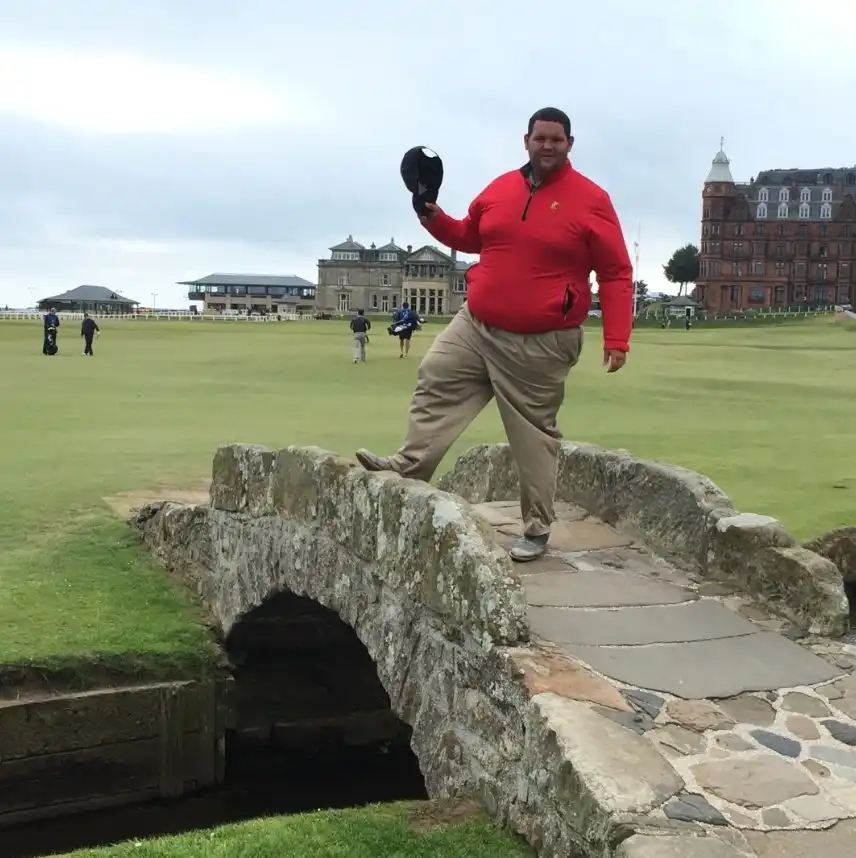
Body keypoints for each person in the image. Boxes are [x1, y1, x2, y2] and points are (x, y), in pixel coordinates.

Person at [355, 107, 633, 562]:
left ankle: (537, 527)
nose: (548, 145)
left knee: (531, 434)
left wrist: (617, 338)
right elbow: (469, 236)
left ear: (569, 144)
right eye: (540, 138)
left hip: (540, 339)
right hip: (477, 322)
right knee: (436, 376)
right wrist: (431, 215)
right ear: (526, 140)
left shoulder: (591, 199)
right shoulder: (500, 188)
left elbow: (617, 272)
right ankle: (409, 467)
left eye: (556, 139)